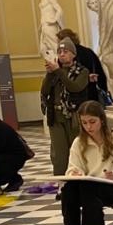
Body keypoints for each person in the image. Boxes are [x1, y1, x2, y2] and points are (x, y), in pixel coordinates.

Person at [41, 38, 91, 174]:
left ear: (73, 54)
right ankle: (61, 182)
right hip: (56, 116)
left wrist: (58, 71)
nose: (62, 54)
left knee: (76, 150)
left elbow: (74, 87)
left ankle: (79, 178)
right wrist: (49, 74)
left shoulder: (82, 71)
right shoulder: (54, 72)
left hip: (73, 116)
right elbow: (45, 91)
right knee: (59, 154)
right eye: (59, 52)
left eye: (66, 51)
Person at [57, 27, 109, 104]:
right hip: (92, 92)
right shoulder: (89, 52)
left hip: (75, 97)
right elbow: (101, 74)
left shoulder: (67, 57)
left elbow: (69, 80)